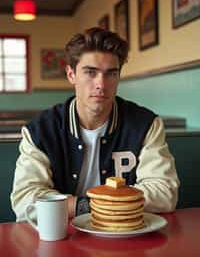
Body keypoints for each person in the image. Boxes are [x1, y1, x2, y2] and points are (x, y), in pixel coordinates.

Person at [10, 27, 179, 221]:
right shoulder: (40, 131)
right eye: (90, 72)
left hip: (128, 234)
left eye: (111, 73)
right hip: (64, 236)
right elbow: (24, 202)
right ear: (71, 74)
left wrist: (74, 205)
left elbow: (165, 193)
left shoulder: (146, 124)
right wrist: (88, 205)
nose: (101, 84)